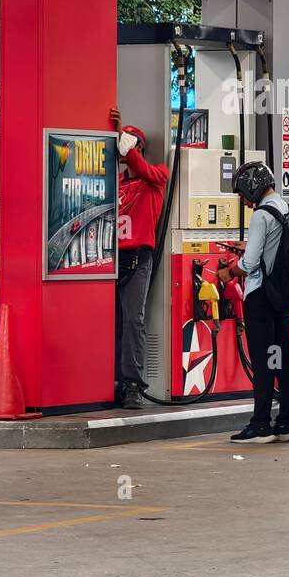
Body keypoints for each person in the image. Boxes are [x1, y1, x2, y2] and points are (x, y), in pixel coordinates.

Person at [217, 161, 289, 444]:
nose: (243, 200)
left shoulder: (261, 215)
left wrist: (229, 272)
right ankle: (286, 424)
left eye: (242, 193)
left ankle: (260, 424)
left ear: (253, 185)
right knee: (281, 358)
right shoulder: (285, 208)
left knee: (263, 362)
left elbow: (250, 263)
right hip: (281, 297)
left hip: (260, 297)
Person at [111, 106, 168, 410]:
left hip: (138, 257)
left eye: (130, 146)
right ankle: (113, 381)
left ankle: (133, 384)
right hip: (109, 258)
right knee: (114, 322)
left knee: (134, 319)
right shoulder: (114, 185)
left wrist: (124, 140)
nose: (124, 153)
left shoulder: (155, 177)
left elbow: (142, 167)